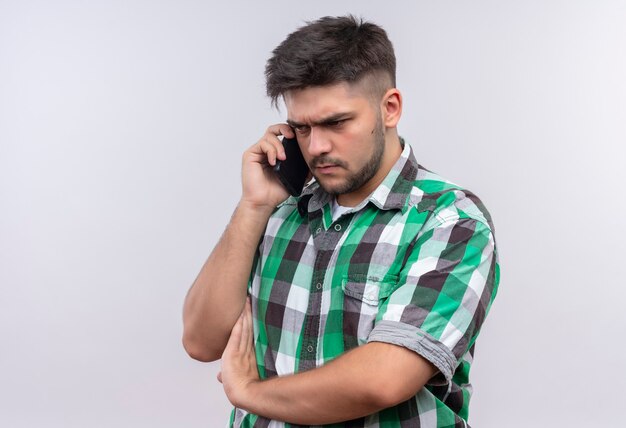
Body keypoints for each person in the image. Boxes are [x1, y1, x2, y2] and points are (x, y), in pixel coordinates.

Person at [182, 15, 500, 427]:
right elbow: (200, 340)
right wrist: (253, 206)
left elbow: (384, 379)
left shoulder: (449, 222)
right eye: (300, 127)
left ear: (389, 109)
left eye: (335, 123)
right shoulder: (277, 213)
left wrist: (248, 393)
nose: (316, 147)